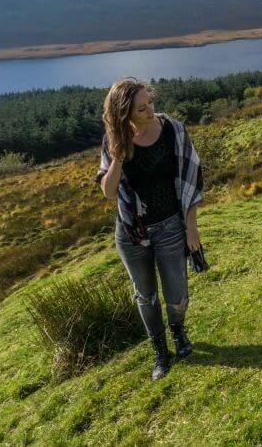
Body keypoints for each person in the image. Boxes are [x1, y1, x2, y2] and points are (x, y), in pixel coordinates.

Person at [95, 77, 204, 380]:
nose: (150, 110)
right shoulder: (113, 141)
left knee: (177, 292)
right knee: (145, 295)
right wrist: (117, 156)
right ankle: (160, 351)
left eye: (150, 102)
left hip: (171, 225)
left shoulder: (172, 130)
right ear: (123, 114)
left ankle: (179, 333)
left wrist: (191, 228)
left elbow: (193, 177)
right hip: (131, 233)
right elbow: (108, 190)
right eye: (141, 108)